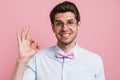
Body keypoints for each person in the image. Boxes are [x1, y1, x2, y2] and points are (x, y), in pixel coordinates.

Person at [11, 1, 105, 80]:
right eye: (59, 23)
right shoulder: (37, 58)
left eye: (70, 22)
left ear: (78, 25)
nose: (65, 28)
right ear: (53, 27)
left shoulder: (95, 61)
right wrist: (22, 60)